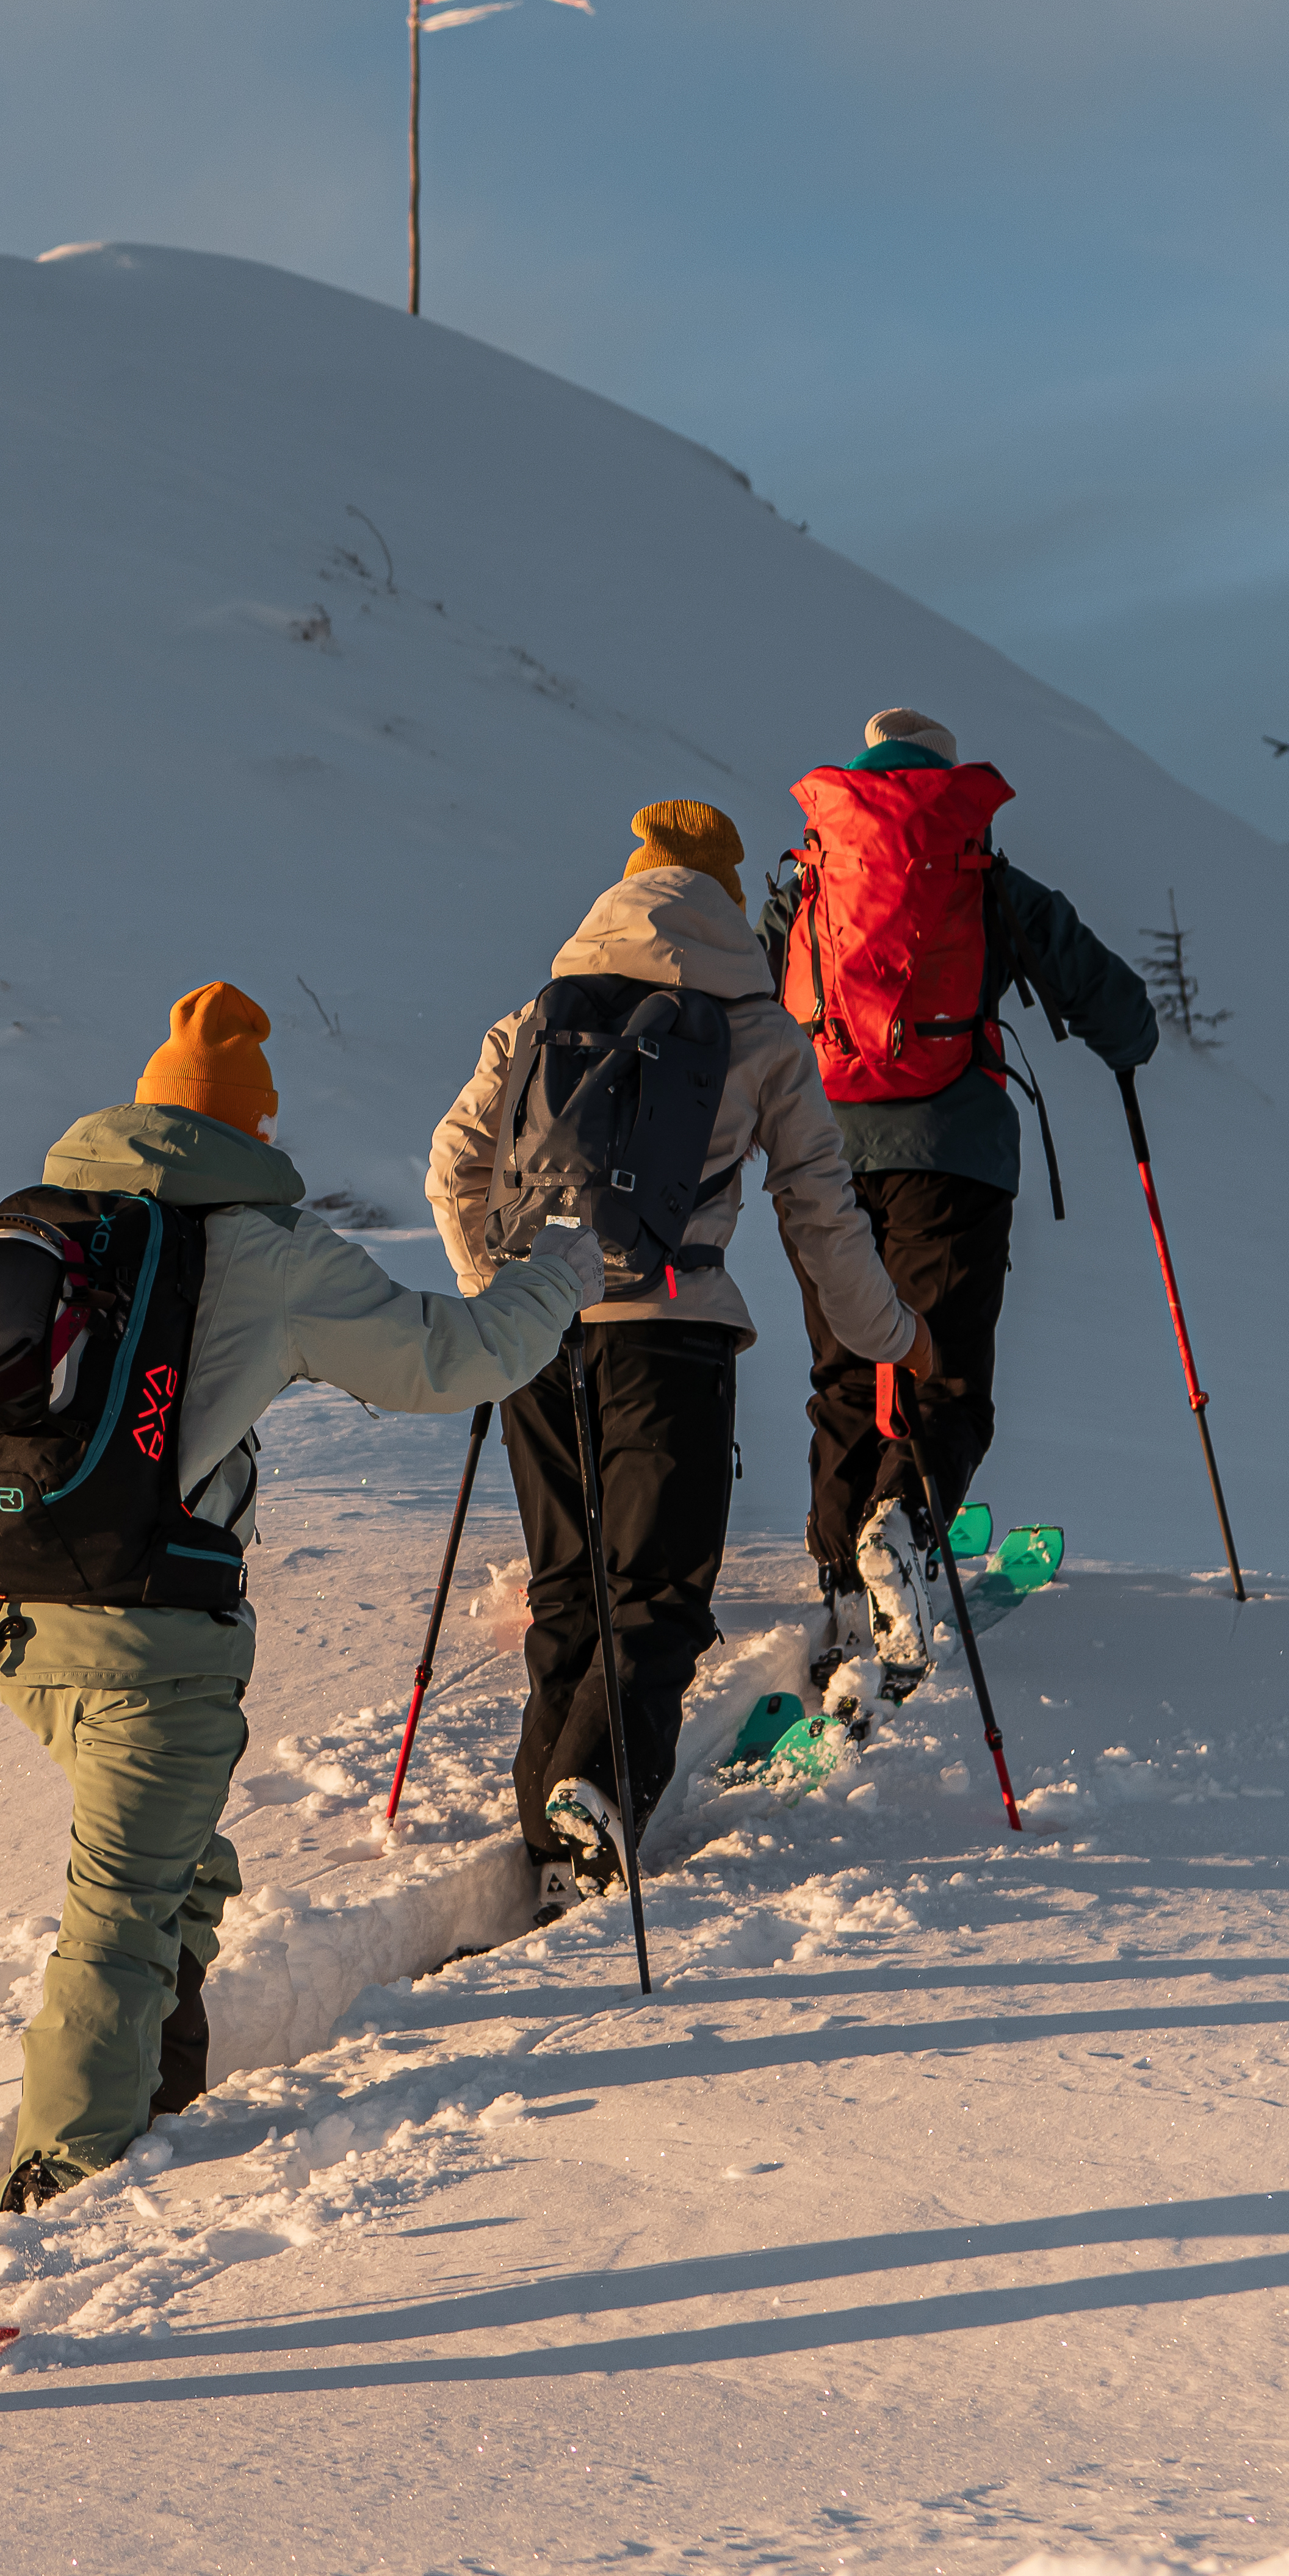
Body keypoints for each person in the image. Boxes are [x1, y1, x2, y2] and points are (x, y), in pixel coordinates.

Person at [0, 984, 574, 2212]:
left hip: (10, 1625)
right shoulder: (267, 1253)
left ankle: (157, 2092)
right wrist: (558, 1269)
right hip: (150, 1649)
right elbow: (459, 1360)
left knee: (180, 1867)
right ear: (249, 1132)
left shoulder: (27, 1228)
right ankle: (64, 2181)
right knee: (122, 1916)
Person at [427, 802, 926, 1891]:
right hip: (671, 1337)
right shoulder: (757, 1026)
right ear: (729, 898)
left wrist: (505, 1294)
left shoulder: (541, 1011)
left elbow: (452, 1164)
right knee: (654, 1596)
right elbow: (820, 1214)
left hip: (537, 1339)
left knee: (570, 1590)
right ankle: (597, 1801)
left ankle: (548, 1842)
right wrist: (893, 1336)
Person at [759, 710, 1159, 1694]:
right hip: (957, 1156)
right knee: (944, 1376)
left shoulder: (812, 881)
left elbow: (744, 990)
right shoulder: (981, 876)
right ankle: (902, 1522)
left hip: (821, 1159)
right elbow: (1120, 1011)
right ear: (944, 781)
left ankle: (839, 1579)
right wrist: (1121, 1048)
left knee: (849, 1370)